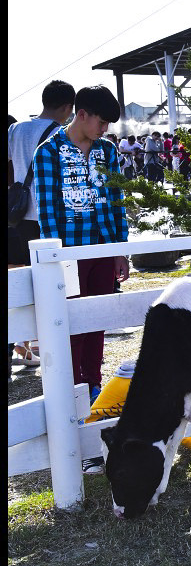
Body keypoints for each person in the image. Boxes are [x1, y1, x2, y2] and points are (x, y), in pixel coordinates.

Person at [33, 85, 131, 402]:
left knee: (98, 318)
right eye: (102, 123)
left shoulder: (107, 151)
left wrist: (120, 251)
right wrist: (55, 259)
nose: (104, 130)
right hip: (69, 254)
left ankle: (92, 383)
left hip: (103, 248)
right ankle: (74, 387)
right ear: (82, 114)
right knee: (72, 322)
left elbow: (117, 202)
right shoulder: (48, 152)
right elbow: (47, 213)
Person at [8, 80, 75, 372]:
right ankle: (40, 344)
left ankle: (22, 343)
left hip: (15, 215)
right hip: (43, 217)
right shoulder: (60, 133)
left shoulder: (15, 129)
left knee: (18, 285)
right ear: (67, 107)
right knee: (47, 285)